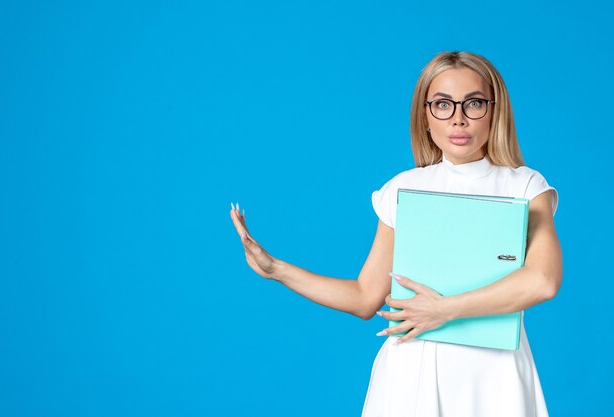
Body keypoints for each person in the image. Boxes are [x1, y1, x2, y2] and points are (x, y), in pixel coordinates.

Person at [229, 51, 562, 417]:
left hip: (492, 374)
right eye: (442, 105)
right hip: (411, 372)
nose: (459, 118)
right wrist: (276, 269)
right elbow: (365, 297)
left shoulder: (526, 187)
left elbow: (542, 281)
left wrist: (443, 310)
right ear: (425, 114)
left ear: (495, 110)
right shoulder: (402, 189)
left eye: (474, 103)